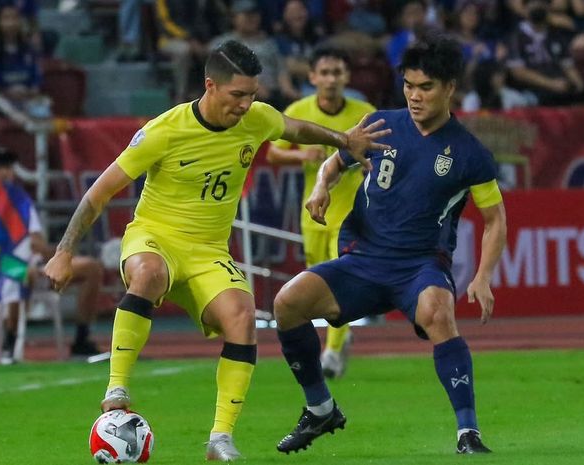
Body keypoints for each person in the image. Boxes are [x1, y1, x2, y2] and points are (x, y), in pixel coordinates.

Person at [43, 40, 390, 462]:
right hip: (155, 237)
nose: (247, 105)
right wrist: (64, 251)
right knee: (148, 274)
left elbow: (295, 129)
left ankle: (220, 439)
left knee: (243, 317)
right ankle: (117, 387)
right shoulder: (164, 130)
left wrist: (342, 140)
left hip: (208, 251)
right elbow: (99, 194)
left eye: (252, 95)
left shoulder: (256, 118)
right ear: (210, 86)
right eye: (238, 95)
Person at [273, 33, 507, 455]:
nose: (415, 96)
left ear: (449, 88)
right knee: (286, 303)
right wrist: (321, 186)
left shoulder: (470, 153)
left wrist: (484, 275)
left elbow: (495, 219)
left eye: (426, 87)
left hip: (420, 265)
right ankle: (321, 408)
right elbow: (335, 160)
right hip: (362, 259)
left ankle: (467, 433)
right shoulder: (381, 124)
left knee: (439, 311)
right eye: (409, 86)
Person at [267, 46, 375, 379]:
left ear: (346, 77)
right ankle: (340, 338)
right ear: (312, 77)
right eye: (324, 73)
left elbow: (384, 151)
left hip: (351, 214)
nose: (330, 79)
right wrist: (301, 156)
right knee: (317, 282)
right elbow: (273, 153)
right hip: (313, 213)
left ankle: (331, 350)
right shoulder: (299, 110)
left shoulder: (365, 113)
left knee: (339, 279)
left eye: (337, 72)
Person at [0, 150, 105, 361]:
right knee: (21, 273)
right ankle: (9, 345)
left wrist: (58, 255)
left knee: (92, 268)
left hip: (34, 262)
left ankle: (82, 339)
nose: (4, 173)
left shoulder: (21, 202)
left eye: (8, 168)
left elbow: (37, 241)